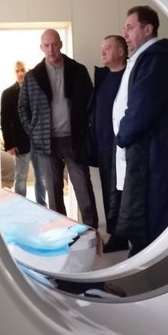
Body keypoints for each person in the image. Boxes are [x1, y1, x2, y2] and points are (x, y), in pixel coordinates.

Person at [110, 5, 168, 257]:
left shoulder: (156, 60)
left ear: (148, 29)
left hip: (151, 155)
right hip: (143, 151)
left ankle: (149, 269)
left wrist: (122, 136)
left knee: (151, 221)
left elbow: (141, 109)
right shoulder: (145, 58)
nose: (125, 33)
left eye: (130, 27)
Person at [18, 29, 99, 229]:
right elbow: (22, 106)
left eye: (54, 44)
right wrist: (33, 129)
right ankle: (61, 233)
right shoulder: (32, 76)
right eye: (47, 45)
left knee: (83, 187)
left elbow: (91, 102)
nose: (51, 49)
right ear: (41, 48)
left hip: (74, 139)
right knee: (53, 192)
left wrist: (87, 127)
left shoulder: (78, 70)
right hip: (46, 142)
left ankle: (91, 231)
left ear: (60, 44)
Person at [89, 35, 129, 253]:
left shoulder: (131, 75)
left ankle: (126, 235)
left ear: (121, 52)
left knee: (124, 193)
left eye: (107, 48)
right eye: (101, 48)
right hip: (104, 146)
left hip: (123, 146)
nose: (102, 52)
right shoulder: (103, 77)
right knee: (108, 192)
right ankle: (115, 235)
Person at [0, 60, 46, 205]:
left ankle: (42, 206)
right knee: (20, 178)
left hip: (38, 142)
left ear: (27, 70)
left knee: (41, 177)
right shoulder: (7, 94)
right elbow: (5, 121)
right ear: (14, 73)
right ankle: (20, 206)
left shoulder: (37, 90)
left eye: (23, 70)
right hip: (20, 143)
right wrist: (9, 144)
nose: (20, 73)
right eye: (17, 70)